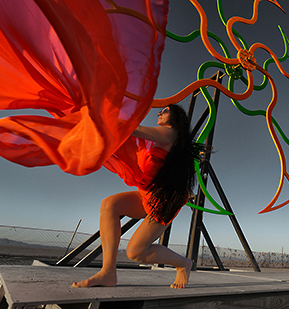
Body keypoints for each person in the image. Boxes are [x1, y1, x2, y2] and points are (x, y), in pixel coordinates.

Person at [73, 104, 201, 289]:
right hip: (146, 193)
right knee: (109, 205)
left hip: (162, 202)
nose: (159, 112)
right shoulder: (157, 136)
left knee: (135, 253)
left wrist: (99, 115)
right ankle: (107, 272)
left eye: (164, 110)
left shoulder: (171, 133)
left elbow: (134, 130)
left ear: (176, 116)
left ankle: (183, 264)